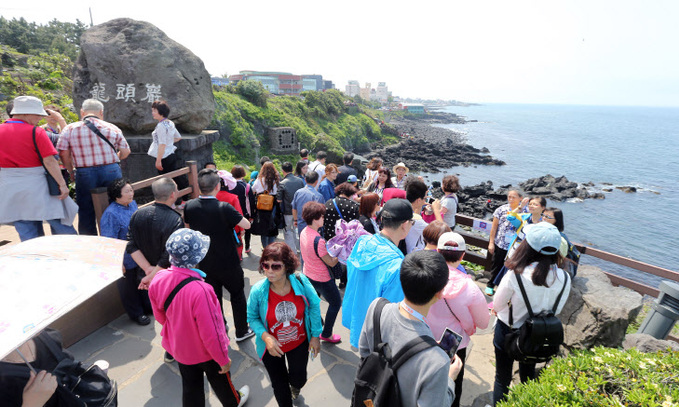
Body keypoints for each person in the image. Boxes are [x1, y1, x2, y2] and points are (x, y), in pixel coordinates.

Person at [148, 228, 249, 407]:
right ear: (197, 256)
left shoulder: (158, 278)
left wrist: (178, 328)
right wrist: (223, 359)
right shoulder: (201, 290)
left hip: (180, 348)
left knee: (191, 387)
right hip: (207, 353)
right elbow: (213, 332)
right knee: (223, 385)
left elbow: (160, 316)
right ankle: (235, 402)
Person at [358, 250, 463, 406]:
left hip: (371, 398)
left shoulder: (377, 308)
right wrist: (449, 379)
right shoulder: (438, 362)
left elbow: (365, 353)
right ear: (440, 293)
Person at [491, 222, 571, 405]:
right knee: (528, 377)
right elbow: (556, 310)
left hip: (508, 331)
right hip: (538, 335)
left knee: (502, 379)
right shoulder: (564, 277)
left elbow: (497, 304)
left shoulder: (515, 274)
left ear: (527, 246)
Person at [246, 243, 322, 406]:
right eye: (265, 265)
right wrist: (266, 337)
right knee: (280, 387)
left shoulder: (301, 282)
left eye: (276, 266)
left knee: (299, 378)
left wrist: (315, 336)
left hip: (299, 343)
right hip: (272, 349)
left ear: (287, 266)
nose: (269, 270)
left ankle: (295, 387)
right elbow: (252, 317)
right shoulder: (258, 291)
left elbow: (315, 304)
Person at [184, 169, 254, 342]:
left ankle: (220, 328)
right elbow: (246, 225)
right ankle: (241, 331)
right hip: (228, 260)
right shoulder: (224, 207)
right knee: (237, 295)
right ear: (217, 186)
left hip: (205, 262)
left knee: (213, 299)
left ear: (200, 187)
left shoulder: (189, 206)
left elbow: (187, 229)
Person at [0, 96, 77, 241]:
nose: (39, 119)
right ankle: (76, 255)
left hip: (9, 188)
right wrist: (62, 184)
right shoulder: (36, 132)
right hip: (38, 186)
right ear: (26, 113)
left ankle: (34, 260)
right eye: (37, 115)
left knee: (26, 230)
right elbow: (49, 161)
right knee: (60, 223)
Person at [428, 232, 490, 407]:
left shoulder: (423, 274)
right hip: (452, 343)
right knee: (451, 385)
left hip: (421, 336)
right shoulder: (470, 287)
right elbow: (484, 323)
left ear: (438, 251)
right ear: (463, 255)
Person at [342, 198, 414, 347]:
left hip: (357, 317)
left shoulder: (362, 242)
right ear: (405, 225)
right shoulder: (397, 266)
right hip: (376, 336)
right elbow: (392, 312)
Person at [57, 98, 131, 235]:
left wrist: (71, 170)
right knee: (116, 203)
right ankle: (115, 237)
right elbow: (126, 151)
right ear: (101, 112)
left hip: (84, 172)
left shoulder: (70, 129)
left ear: (82, 112)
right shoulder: (112, 127)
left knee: (85, 208)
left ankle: (89, 241)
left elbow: (63, 154)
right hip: (111, 170)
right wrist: (114, 159)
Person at [100, 178, 151, 325]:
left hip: (139, 253)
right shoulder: (111, 214)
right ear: (117, 196)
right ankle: (136, 313)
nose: (131, 193)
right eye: (127, 191)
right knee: (129, 288)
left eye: (131, 190)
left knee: (143, 281)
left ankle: (147, 307)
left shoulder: (132, 204)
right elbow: (109, 241)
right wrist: (117, 262)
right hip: (125, 256)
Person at [127, 178, 184, 295]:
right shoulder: (175, 220)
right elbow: (169, 253)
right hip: (167, 277)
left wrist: (148, 269)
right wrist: (153, 274)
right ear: (173, 194)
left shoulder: (138, 214)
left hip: (144, 275)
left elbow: (130, 245)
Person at [299, 201, 342, 343]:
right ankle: (327, 333)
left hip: (308, 274)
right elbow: (330, 262)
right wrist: (339, 253)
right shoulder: (318, 240)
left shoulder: (304, 232)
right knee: (336, 303)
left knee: (313, 303)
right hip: (322, 278)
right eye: (322, 216)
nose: (324, 218)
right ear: (315, 218)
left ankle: (314, 326)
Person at [147, 100, 188, 202]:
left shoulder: (161, 126)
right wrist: (169, 142)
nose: (152, 112)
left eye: (154, 110)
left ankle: (170, 201)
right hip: (171, 155)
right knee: (176, 178)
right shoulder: (170, 123)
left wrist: (158, 160)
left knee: (166, 181)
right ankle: (184, 199)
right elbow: (178, 137)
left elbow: (162, 144)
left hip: (164, 157)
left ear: (161, 112)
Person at [486, 189, 523, 296]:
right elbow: (494, 228)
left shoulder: (525, 211)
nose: (511, 199)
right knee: (496, 265)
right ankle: (490, 285)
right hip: (500, 243)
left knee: (510, 269)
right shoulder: (501, 210)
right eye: (509, 197)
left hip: (515, 246)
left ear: (520, 198)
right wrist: (491, 242)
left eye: (513, 197)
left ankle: (503, 291)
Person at [404, 179, 443, 254]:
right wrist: (436, 210)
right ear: (418, 200)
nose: (426, 200)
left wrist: (419, 207)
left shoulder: (404, 209)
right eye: (425, 198)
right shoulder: (416, 221)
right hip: (414, 257)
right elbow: (441, 233)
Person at [278, 162, 305, 254]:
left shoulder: (282, 183)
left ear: (283, 171)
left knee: (288, 230)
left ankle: (292, 251)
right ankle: (300, 248)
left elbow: (279, 200)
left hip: (288, 211)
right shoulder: (300, 181)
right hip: (299, 211)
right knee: (297, 230)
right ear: (292, 170)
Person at [252, 162, 281, 248]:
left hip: (261, 206)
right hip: (272, 204)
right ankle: (271, 246)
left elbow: (253, 189)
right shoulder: (276, 180)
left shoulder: (259, 180)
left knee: (263, 226)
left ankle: (265, 247)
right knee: (272, 225)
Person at [229, 165, 256, 254]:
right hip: (245, 212)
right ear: (243, 174)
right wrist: (252, 215)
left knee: (235, 230)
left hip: (232, 212)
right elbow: (252, 202)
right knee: (247, 230)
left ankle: (236, 247)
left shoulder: (229, 186)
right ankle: (247, 247)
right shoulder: (246, 186)